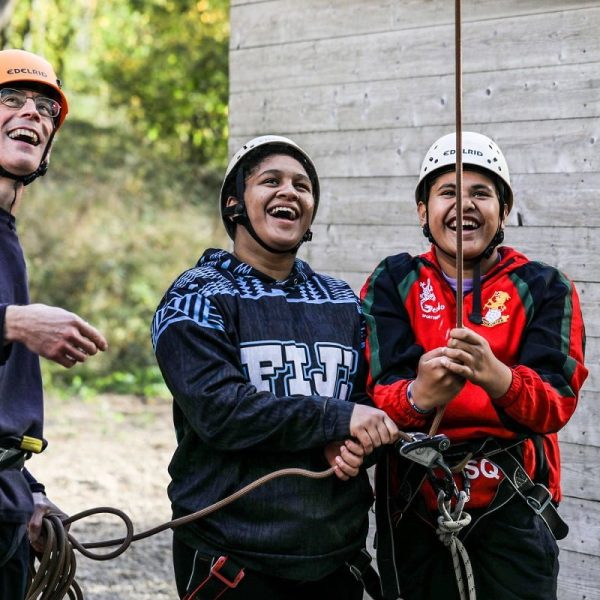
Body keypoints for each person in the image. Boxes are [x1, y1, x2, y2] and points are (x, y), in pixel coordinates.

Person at [151, 135, 400, 600]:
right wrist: (337, 418)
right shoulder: (195, 296)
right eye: (271, 181)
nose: (290, 192)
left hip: (335, 559)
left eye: (302, 186)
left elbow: (369, 399)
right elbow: (219, 409)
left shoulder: (342, 300)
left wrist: (358, 444)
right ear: (234, 205)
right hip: (231, 562)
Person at [361, 131, 588, 600]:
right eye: (447, 192)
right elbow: (373, 392)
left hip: (514, 503)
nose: (464, 205)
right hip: (414, 504)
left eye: (481, 193)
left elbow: (557, 402)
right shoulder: (393, 281)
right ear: (423, 211)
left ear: (503, 211)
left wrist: (497, 377)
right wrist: (419, 396)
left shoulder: (544, 286)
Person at [0, 49, 108, 598]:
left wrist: (26, 488)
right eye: (11, 100)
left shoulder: (7, 237)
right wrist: (12, 323)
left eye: (46, 108)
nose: (33, 113)